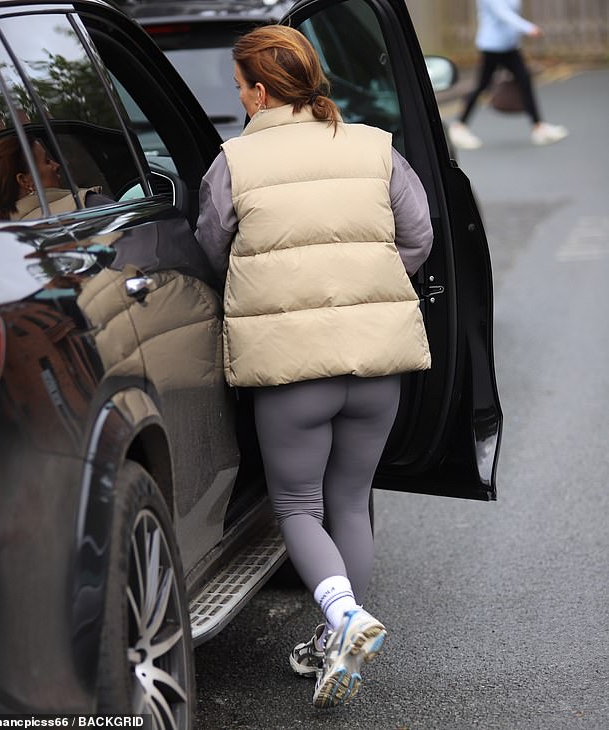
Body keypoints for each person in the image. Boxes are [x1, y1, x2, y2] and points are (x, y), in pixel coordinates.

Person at [195, 25, 433, 709]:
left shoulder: (233, 162)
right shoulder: (374, 148)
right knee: (349, 500)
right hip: (375, 355)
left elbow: (214, 251)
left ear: (262, 91)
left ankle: (345, 618)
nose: (238, 98)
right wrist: (366, 280)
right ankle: (335, 642)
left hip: (291, 367)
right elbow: (417, 237)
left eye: (240, 87)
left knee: (296, 505)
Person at [449, 0, 569, 149]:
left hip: (510, 46)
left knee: (524, 81)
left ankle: (539, 128)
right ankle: (458, 127)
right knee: (482, 86)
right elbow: (503, 14)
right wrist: (528, 28)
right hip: (492, 46)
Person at [0, 134, 106, 220]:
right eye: (47, 161)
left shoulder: (9, 241)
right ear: (24, 181)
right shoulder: (87, 205)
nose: (57, 165)